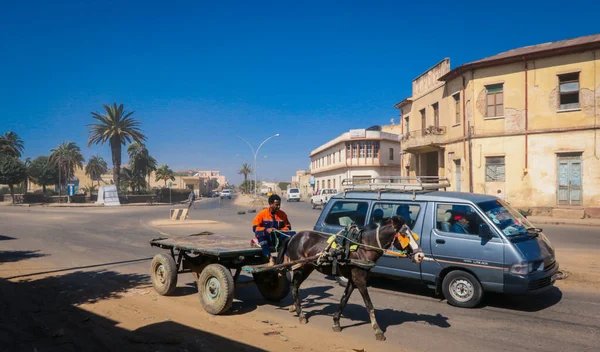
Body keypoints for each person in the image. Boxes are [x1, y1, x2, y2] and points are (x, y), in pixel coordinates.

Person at [252, 194, 292, 266]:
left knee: (291, 236)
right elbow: (255, 228)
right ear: (270, 204)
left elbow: (288, 227)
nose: (278, 207)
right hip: (267, 238)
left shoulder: (283, 214)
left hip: (278, 237)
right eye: (277, 205)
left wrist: (280, 230)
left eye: (279, 205)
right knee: (260, 236)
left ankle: (286, 259)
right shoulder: (262, 214)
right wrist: (266, 229)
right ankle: (270, 259)